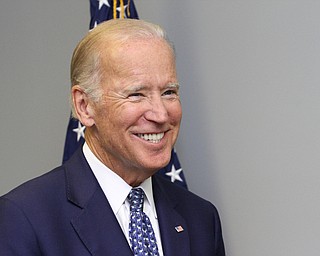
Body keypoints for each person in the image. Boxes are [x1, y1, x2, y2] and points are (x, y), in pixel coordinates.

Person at [0, 19, 225, 256]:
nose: (160, 114)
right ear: (85, 106)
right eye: (136, 94)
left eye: (169, 92)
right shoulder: (23, 219)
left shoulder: (201, 219)